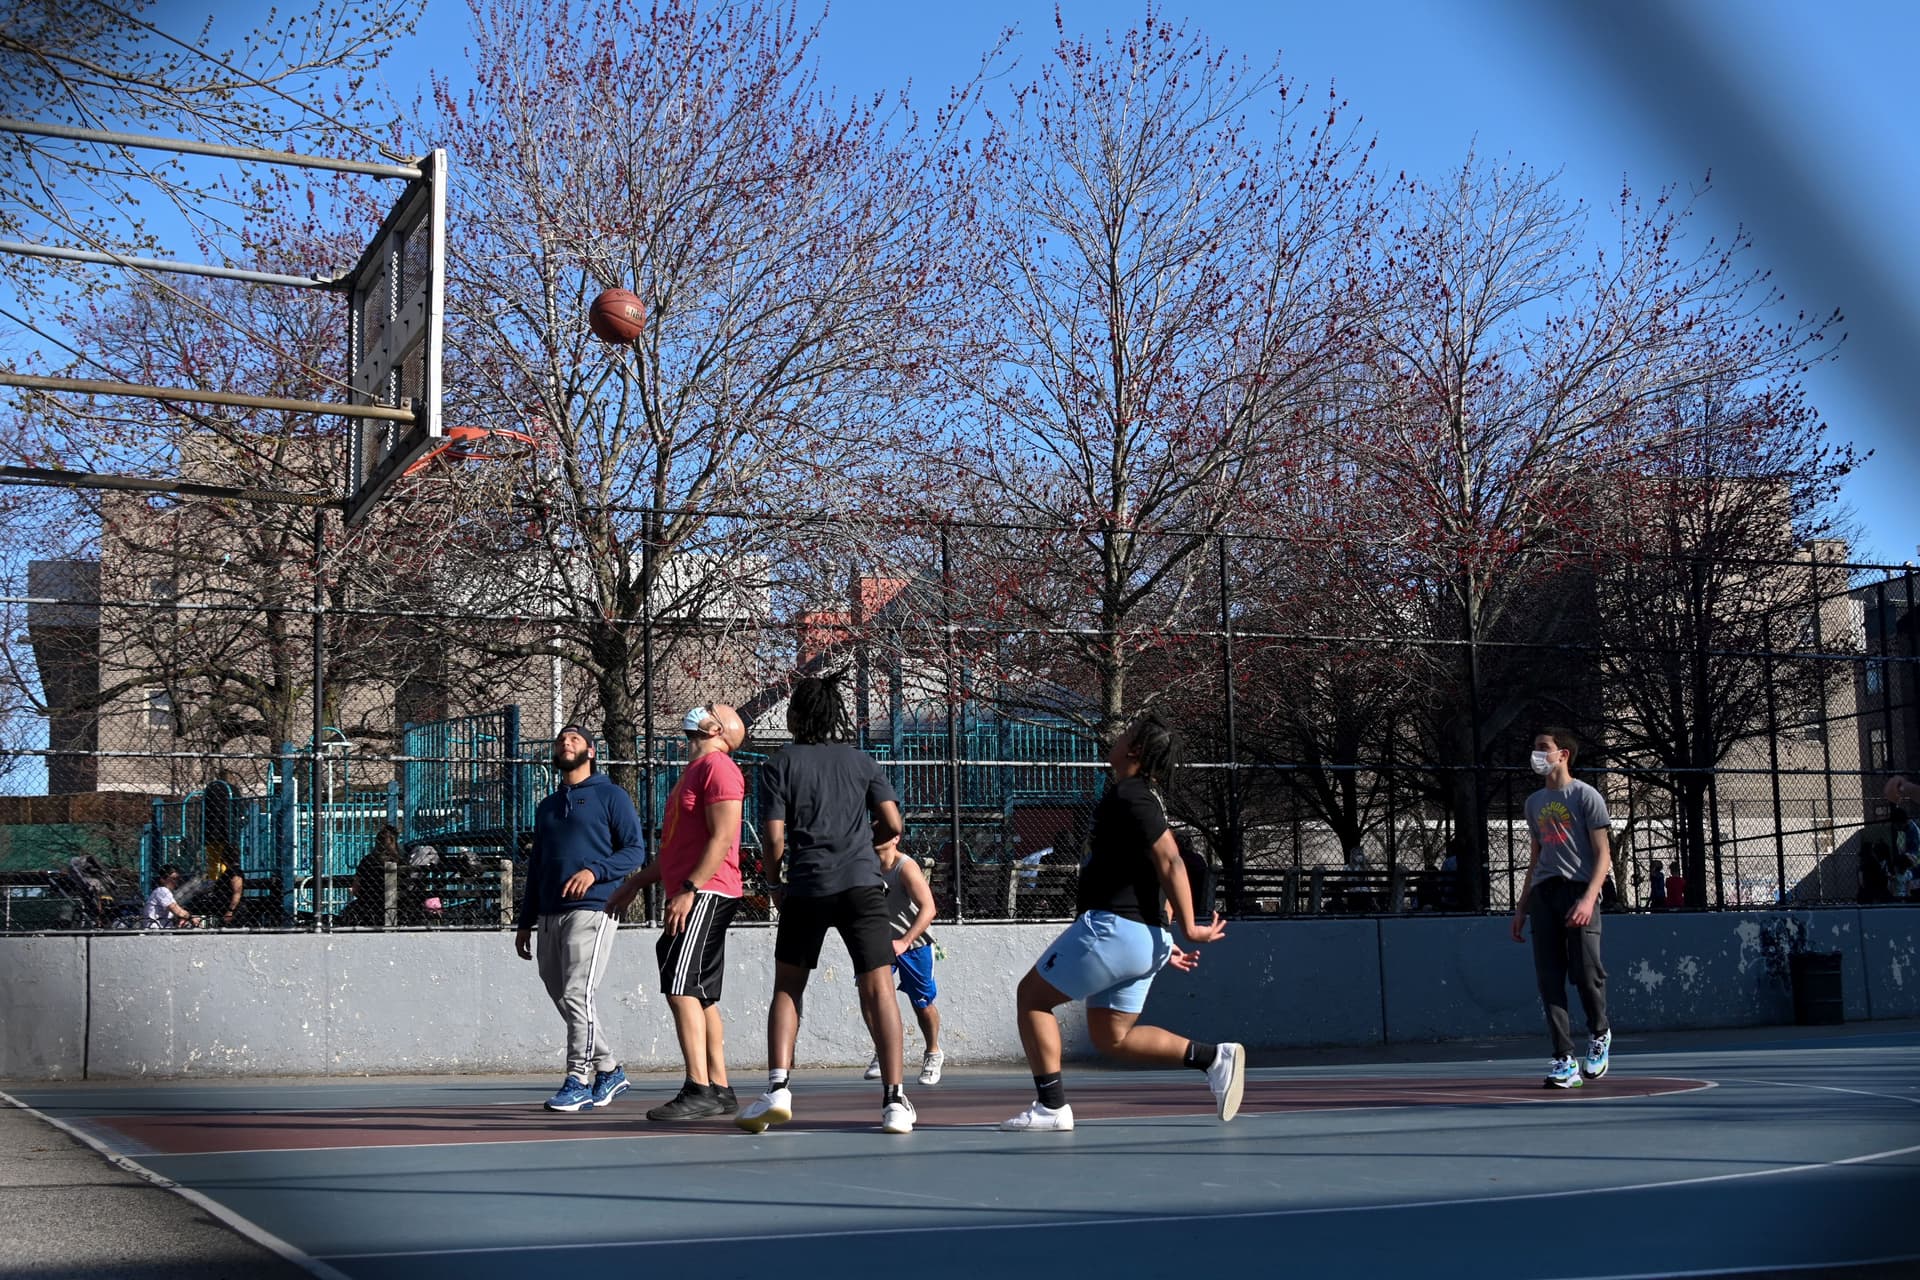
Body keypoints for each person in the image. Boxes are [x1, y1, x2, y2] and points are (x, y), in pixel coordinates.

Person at [1000, 713, 1243, 1133]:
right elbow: (1158, 868)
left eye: (1126, 735)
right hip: (1141, 936)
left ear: (1134, 751)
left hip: (1113, 928)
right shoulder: (1140, 797)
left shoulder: (1132, 794)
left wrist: (1189, 925)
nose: (1116, 738)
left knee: (1033, 999)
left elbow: (1172, 860)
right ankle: (1213, 1058)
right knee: (1113, 1038)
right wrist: (1161, 929)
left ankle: (1051, 1107)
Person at [737, 672, 913, 1136]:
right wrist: (866, 846)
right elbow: (893, 822)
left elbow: (774, 836)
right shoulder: (862, 761)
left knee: (789, 986)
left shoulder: (780, 764)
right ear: (837, 715)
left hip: (808, 885)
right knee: (879, 989)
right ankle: (894, 1100)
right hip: (861, 884)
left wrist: (774, 881)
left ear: (795, 715)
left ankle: (778, 1089)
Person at [608, 704, 749, 1121]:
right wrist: (636, 882)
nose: (701, 711)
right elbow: (675, 852)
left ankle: (698, 1088)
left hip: (706, 892)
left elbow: (724, 836)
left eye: (712, 710)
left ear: (719, 729)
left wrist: (690, 889)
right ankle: (720, 1088)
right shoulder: (693, 773)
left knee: (681, 988)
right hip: (696, 890)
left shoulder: (719, 768)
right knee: (700, 995)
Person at [514, 725, 646, 1113]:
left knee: (577, 994)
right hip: (549, 912)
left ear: (591, 750)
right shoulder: (548, 806)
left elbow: (635, 852)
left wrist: (595, 872)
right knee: (562, 994)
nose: (564, 743)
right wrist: (525, 921)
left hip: (594, 907)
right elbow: (537, 867)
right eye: (560, 739)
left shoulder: (611, 796)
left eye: (573, 739)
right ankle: (609, 1069)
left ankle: (578, 1079)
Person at [1510, 727, 1613, 1089]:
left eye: (1543, 748)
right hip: (1544, 894)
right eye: (1535, 747)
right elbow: (1536, 858)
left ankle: (1599, 1033)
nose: (1537, 754)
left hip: (1578, 891)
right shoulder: (1533, 803)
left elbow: (1604, 856)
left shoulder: (1587, 797)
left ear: (1562, 754)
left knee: (1586, 974)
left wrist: (1588, 898)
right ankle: (1564, 1059)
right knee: (1549, 979)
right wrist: (1522, 907)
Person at [861, 836, 945, 1086]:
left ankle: (933, 1052)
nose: (875, 836)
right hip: (879, 945)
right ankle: (881, 1049)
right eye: (872, 830)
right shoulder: (864, 865)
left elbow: (929, 908)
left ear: (896, 838)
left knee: (922, 1004)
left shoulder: (905, 867)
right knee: (868, 995)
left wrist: (905, 941)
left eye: (884, 831)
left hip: (913, 945)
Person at [143, 864, 199, 929]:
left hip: (162, 930)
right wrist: (191, 918)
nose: (176, 882)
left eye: (177, 879)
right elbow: (177, 911)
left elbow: (174, 913)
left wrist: (181, 919)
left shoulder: (166, 892)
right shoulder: (162, 890)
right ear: (162, 879)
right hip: (155, 931)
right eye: (173, 878)